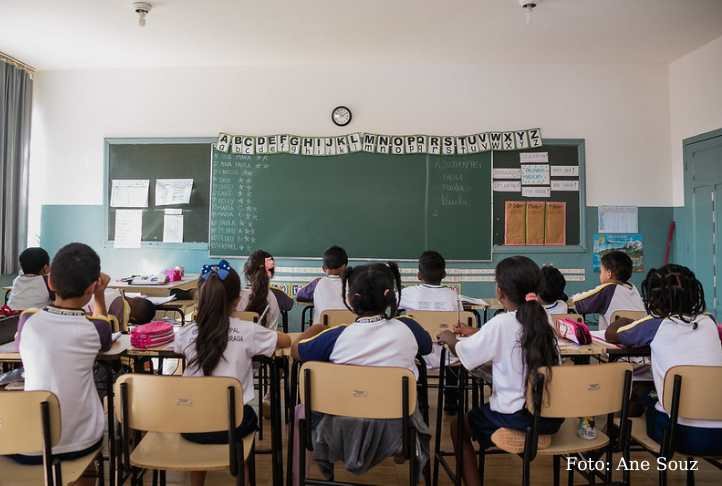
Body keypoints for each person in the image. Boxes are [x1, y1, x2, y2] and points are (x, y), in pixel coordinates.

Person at [291, 262, 432, 477]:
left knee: (302, 410)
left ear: (350, 299)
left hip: (338, 432)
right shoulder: (408, 328)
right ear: (390, 295)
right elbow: (427, 346)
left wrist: (315, 328)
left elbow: (296, 351)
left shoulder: (336, 336)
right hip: (398, 431)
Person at [437, 256, 563, 486]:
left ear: (500, 291)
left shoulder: (501, 323)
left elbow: (466, 354)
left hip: (517, 417)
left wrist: (449, 338)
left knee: (458, 427)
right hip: (549, 416)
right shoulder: (544, 317)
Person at [174, 260, 291, 486]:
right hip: (233, 425)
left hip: (190, 425)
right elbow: (284, 340)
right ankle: (241, 475)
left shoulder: (186, 334)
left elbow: (176, 346)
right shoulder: (249, 331)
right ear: (238, 300)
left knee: (201, 413)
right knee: (248, 414)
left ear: (201, 297)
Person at [11, 243, 112, 486]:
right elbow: (105, 330)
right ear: (92, 286)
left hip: (30, 444)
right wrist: (99, 296)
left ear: (50, 283)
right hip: (80, 442)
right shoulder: (96, 329)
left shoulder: (28, 323)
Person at [606, 264, 722, 455]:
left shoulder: (655, 325)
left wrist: (626, 321)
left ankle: (613, 440)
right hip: (719, 435)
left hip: (677, 434)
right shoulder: (708, 322)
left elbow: (613, 334)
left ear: (654, 297)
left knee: (642, 394)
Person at [399, 250, 462, 415]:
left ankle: (420, 403)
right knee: (453, 351)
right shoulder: (453, 296)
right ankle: (450, 401)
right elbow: (459, 325)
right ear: (445, 274)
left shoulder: (407, 294)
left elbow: (393, 310)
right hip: (447, 357)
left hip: (418, 355)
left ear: (419, 275)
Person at [572, 250, 644, 329]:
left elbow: (576, 303)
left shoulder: (608, 289)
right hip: (639, 338)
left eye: (601, 271)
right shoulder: (633, 289)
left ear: (609, 274)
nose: (600, 275)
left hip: (614, 339)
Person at [296, 245, 349, 323]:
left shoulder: (317, 283)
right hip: (348, 330)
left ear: (324, 268)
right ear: (345, 266)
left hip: (323, 330)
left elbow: (299, 296)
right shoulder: (355, 283)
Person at [238, 250, 281, 329]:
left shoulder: (237, 297)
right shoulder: (272, 299)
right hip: (265, 340)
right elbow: (272, 331)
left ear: (247, 270)